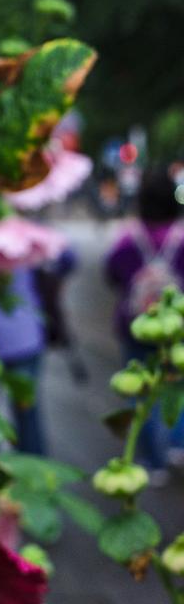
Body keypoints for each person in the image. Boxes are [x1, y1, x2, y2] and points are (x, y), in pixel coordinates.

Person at [0, 242, 76, 456]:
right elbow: (66, 257)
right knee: (27, 412)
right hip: (23, 339)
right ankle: (34, 472)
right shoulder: (21, 240)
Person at [105, 164, 184, 480]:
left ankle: (153, 461)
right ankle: (177, 445)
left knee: (140, 392)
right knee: (177, 385)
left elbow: (112, 273)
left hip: (135, 326)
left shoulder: (129, 239)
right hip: (176, 328)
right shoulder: (181, 238)